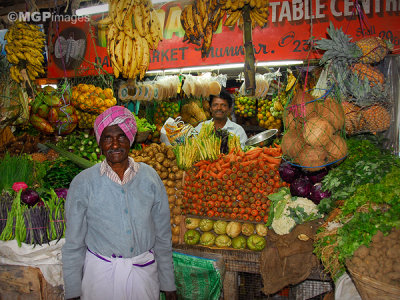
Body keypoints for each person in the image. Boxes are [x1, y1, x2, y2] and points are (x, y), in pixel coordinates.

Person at [62, 106, 177, 300]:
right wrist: (73, 292)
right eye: (108, 138)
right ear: (100, 142)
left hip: (143, 276)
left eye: (121, 137)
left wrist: (168, 284)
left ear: (130, 139)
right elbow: (73, 244)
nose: (115, 144)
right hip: (100, 278)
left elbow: (163, 237)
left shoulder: (150, 178)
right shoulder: (83, 183)